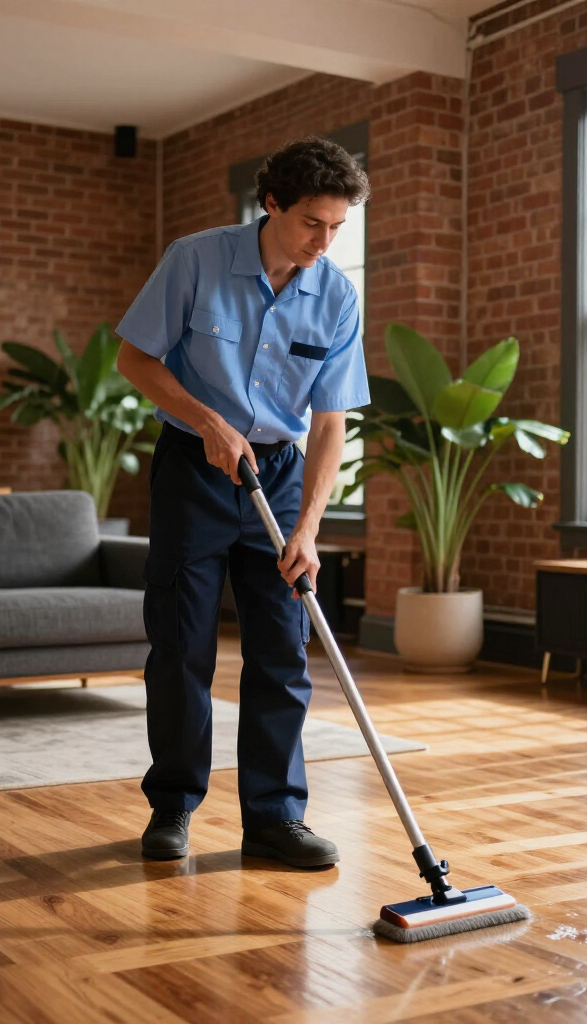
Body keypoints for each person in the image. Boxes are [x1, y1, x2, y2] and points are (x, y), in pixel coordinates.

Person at [115, 136, 370, 868]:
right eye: (311, 224)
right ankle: (172, 806)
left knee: (282, 652)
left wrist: (310, 527)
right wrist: (209, 421)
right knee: (182, 646)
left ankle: (274, 819)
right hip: (194, 472)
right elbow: (136, 357)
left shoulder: (337, 295)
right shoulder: (195, 259)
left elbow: (330, 422)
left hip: (282, 479)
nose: (324, 243)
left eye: (337, 228)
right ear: (271, 206)